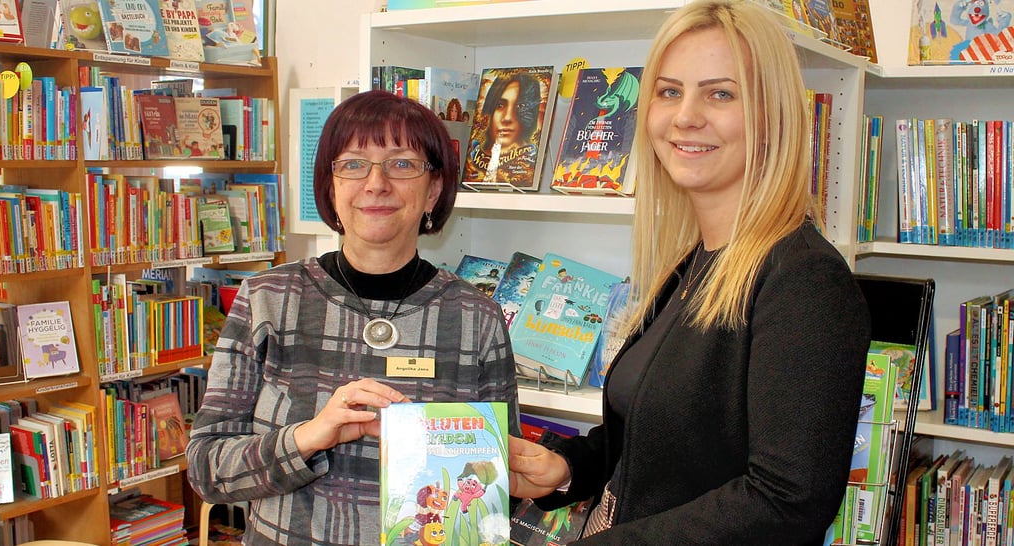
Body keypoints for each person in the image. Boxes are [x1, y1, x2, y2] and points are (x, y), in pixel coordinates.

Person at [507, 1, 871, 544]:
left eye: (720, 93)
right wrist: (567, 468)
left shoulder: (804, 281)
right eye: (669, 91)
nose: (685, 116)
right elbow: (655, 439)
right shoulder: (694, 262)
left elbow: (787, 500)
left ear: (773, 116)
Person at [186, 90, 520, 546]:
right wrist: (307, 438)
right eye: (353, 164)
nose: (376, 183)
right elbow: (206, 471)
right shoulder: (267, 298)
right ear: (331, 187)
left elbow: (500, 481)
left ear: (434, 190)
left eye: (402, 164)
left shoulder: (477, 318)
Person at [467, 71, 541, 184]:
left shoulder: (528, 164)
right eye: (500, 105)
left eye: (519, 106)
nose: (507, 118)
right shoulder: (472, 163)